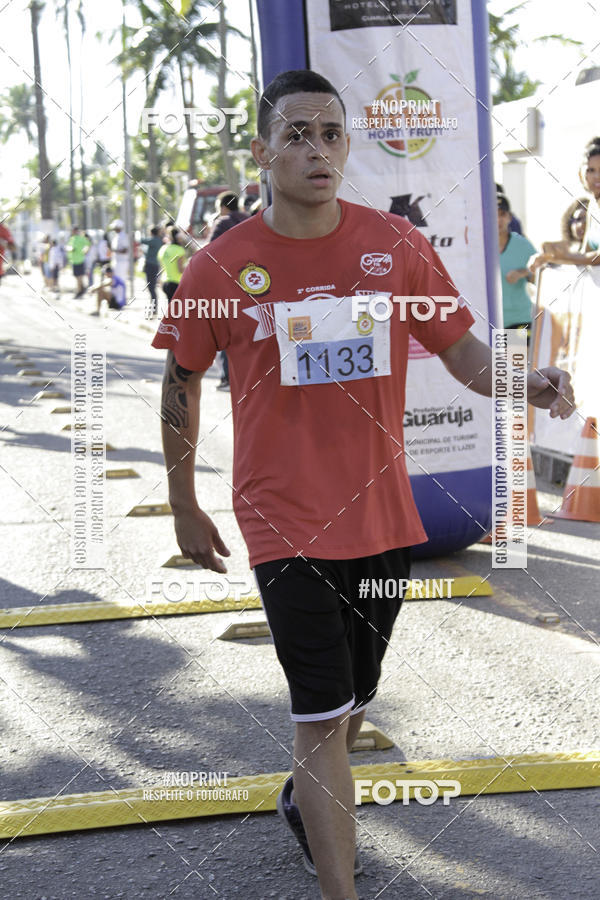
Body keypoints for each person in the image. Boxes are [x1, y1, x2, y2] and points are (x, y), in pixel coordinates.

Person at [152, 69, 574, 900]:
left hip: (382, 519)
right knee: (318, 715)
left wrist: (524, 378)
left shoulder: (396, 246)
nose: (317, 149)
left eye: (331, 133)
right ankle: (340, 888)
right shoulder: (220, 266)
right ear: (262, 150)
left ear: (349, 145)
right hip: (283, 522)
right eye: (298, 133)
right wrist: (182, 501)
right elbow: (181, 379)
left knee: (348, 709)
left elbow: (463, 354)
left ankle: (304, 804)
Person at [530, 137, 600, 270]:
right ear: (582, 174)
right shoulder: (591, 206)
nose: (597, 176)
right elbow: (584, 256)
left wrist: (560, 256)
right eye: (591, 170)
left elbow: (597, 258)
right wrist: (548, 257)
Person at [208, 192, 249, 390]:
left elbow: (210, 252)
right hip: (256, 283)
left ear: (223, 206)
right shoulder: (248, 219)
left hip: (230, 284)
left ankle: (227, 378)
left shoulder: (223, 222)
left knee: (226, 332)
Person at [497, 193, 537, 341]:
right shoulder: (479, 245)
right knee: (495, 364)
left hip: (517, 319)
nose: (498, 219)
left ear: (509, 217)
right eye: (493, 214)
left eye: (502, 214)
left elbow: (540, 276)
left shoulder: (523, 245)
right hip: (488, 319)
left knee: (515, 364)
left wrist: (523, 272)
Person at [157, 225, 186, 301]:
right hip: (176, 283)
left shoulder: (162, 249)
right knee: (178, 309)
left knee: (171, 307)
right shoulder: (179, 250)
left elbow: (161, 267)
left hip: (164, 282)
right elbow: (180, 269)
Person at [141, 225, 164, 316]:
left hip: (151, 266)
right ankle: (153, 307)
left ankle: (154, 308)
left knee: (152, 288)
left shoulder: (155, 240)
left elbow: (142, 241)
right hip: (152, 265)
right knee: (151, 287)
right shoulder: (158, 240)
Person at [65, 226, 90, 297]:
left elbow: (88, 244)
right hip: (73, 260)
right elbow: (68, 247)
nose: (72, 232)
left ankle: (79, 291)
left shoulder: (81, 238)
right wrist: (70, 249)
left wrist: (86, 251)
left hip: (80, 260)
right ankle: (81, 289)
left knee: (79, 276)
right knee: (77, 277)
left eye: (73, 230)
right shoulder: (72, 238)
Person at [109, 218, 129, 285]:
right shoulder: (117, 236)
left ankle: (122, 295)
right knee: (116, 280)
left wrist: (114, 250)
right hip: (116, 261)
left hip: (122, 262)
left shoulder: (123, 236)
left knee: (121, 280)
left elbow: (125, 250)